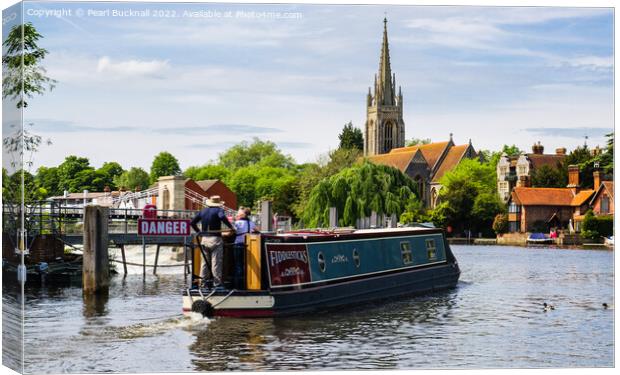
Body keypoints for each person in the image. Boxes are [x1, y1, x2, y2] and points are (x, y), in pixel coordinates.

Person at [190, 195, 235, 289]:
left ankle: (202, 283)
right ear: (218, 204)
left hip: (204, 240)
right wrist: (231, 227)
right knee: (216, 262)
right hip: (215, 239)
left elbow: (192, 223)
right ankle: (217, 284)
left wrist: (199, 232)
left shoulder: (203, 211)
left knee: (204, 263)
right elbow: (222, 217)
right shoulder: (219, 210)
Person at [233, 207, 258, 289]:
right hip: (248, 245)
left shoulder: (237, 223)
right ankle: (248, 282)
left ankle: (238, 285)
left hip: (238, 244)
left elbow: (231, 231)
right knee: (247, 264)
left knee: (238, 264)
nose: (237, 214)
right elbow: (257, 231)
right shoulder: (251, 223)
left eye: (239, 213)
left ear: (242, 214)